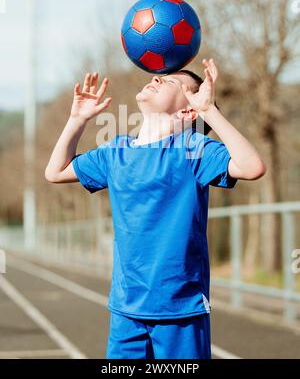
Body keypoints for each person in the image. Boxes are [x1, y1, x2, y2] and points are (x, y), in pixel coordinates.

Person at [45, 58, 267, 359]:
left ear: (188, 110)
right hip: (126, 309)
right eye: (161, 76)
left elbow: (252, 167)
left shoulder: (194, 150)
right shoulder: (116, 152)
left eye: (173, 81)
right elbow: (56, 172)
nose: (159, 78)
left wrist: (209, 111)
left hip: (180, 309)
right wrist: (77, 120)